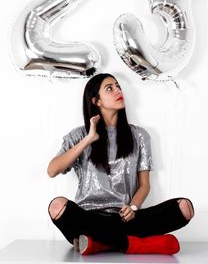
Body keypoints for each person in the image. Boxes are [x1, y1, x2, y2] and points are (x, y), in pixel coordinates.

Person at [47, 73, 194, 255]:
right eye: (110, 88)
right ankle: (133, 244)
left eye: (118, 86)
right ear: (96, 101)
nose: (118, 91)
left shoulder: (139, 136)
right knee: (57, 206)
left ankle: (100, 243)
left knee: (183, 208)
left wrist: (133, 208)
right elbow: (53, 170)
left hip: (126, 218)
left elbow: (144, 185)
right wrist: (89, 139)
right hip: (88, 218)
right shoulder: (79, 136)